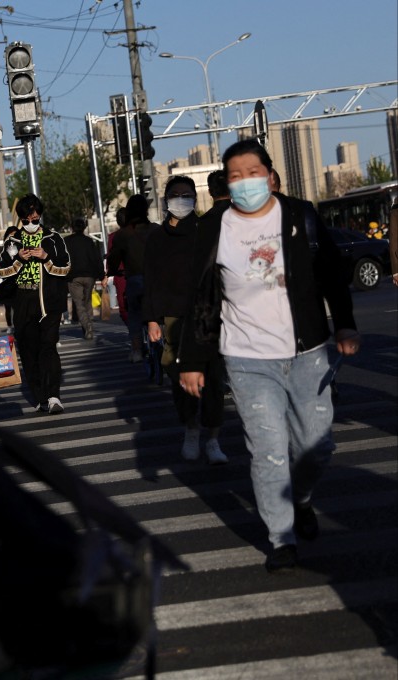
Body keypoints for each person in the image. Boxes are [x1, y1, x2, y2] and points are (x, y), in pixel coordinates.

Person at [178, 139, 360, 573]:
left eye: (252, 173)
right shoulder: (214, 227)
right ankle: (281, 538)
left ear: (270, 175)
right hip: (246, 359)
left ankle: (300, 498)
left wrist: (345, 324)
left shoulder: (300, 215)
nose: (244, 183)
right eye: (234, 177)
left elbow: (332, 273)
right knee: (269, 449)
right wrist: (191, 360)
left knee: (317, 445)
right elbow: (201, 296)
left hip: (308, 351)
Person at [142, 176, 227, 464]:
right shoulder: (156, 237)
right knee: (179, 379)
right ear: (166, 200)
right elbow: (150, 279)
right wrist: (152, 320)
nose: (181, 199)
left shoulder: (206, 229)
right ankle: (191, 428)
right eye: (176, 194)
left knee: (214, 379)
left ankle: (213, 439)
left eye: (187, 194)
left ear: (195, 197)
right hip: (172, 316)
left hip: (208, 315)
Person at [0, 193, 70, 414]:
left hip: (48, 301)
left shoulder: (53, 238)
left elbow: (65, 267)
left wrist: (46, 257)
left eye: (35, 219)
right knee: (29, 350)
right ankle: (40, 396)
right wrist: (18, 259)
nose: (30, 224)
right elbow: (1, 271)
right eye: (26, 220)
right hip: (23, 301)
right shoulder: (13, 241)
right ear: (21, 218)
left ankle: (54, 395)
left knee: (48, 347)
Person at [105, 194, 154, 363]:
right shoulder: (156, 230)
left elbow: (113, 259)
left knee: (134, 314)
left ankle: (137, 349)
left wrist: (111, 271)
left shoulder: (123, 235)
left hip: (135, 279)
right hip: (157, 281)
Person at [64, 217, 105, 340]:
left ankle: (87, 326)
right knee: (87, 302)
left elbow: (63, 259)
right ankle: (89, 325)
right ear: (84, 228)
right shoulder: (89, 242)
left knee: (79, 304)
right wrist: (102, 275)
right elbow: (96, 259)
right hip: (89, 276)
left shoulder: (66, 242)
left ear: (72, 228)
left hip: (73, 277)